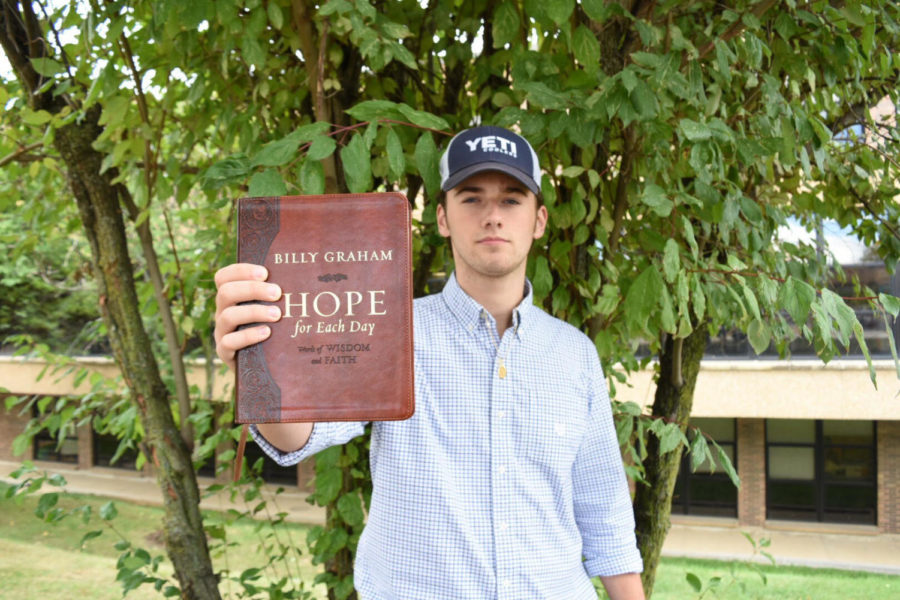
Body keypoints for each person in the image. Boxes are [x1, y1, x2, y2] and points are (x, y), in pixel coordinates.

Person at [214, 125, 645, 599]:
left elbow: (606, 517)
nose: (493, 217)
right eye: (472, 198)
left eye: (511, 200)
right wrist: (255, 363)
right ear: (441, 218)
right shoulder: (388, 330)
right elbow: (299, 436)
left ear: (539, 220)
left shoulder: (574, 353)